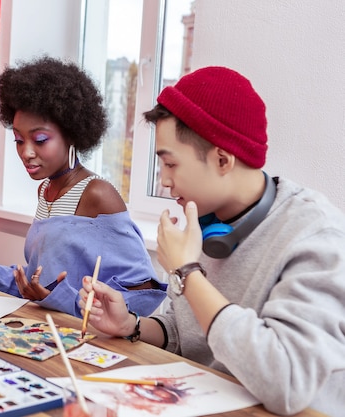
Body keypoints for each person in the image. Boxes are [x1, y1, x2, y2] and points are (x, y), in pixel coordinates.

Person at [78, 66, 345, 415]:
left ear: (222, 159)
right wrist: (133, 325)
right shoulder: (203, 220)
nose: (164, 182)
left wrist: (188, 272)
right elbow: (183, 331)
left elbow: (287, 383)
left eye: (170, 165)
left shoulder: (316, 236)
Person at [0, 56, 167, 318]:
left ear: (72, 134)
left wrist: (64, 300)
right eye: (19, 140)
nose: (26, 152)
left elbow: (143, 295)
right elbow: (35, 283)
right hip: (47, 332)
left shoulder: (97, 195)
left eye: (40, 139)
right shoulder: (47, 191)